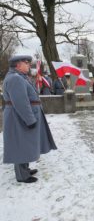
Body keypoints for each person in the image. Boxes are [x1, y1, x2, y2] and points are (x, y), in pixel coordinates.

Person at [2, 55, 57, 183]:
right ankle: (22, 175)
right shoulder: (16, 79)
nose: (28, 65)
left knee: (24, 143)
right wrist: (30, 119)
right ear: (18, 65)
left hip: (20, 116)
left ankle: (25, 169)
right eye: (26, 63)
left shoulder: (20, 77)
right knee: (20, 144)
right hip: (19, 117)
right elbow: (21, 102)